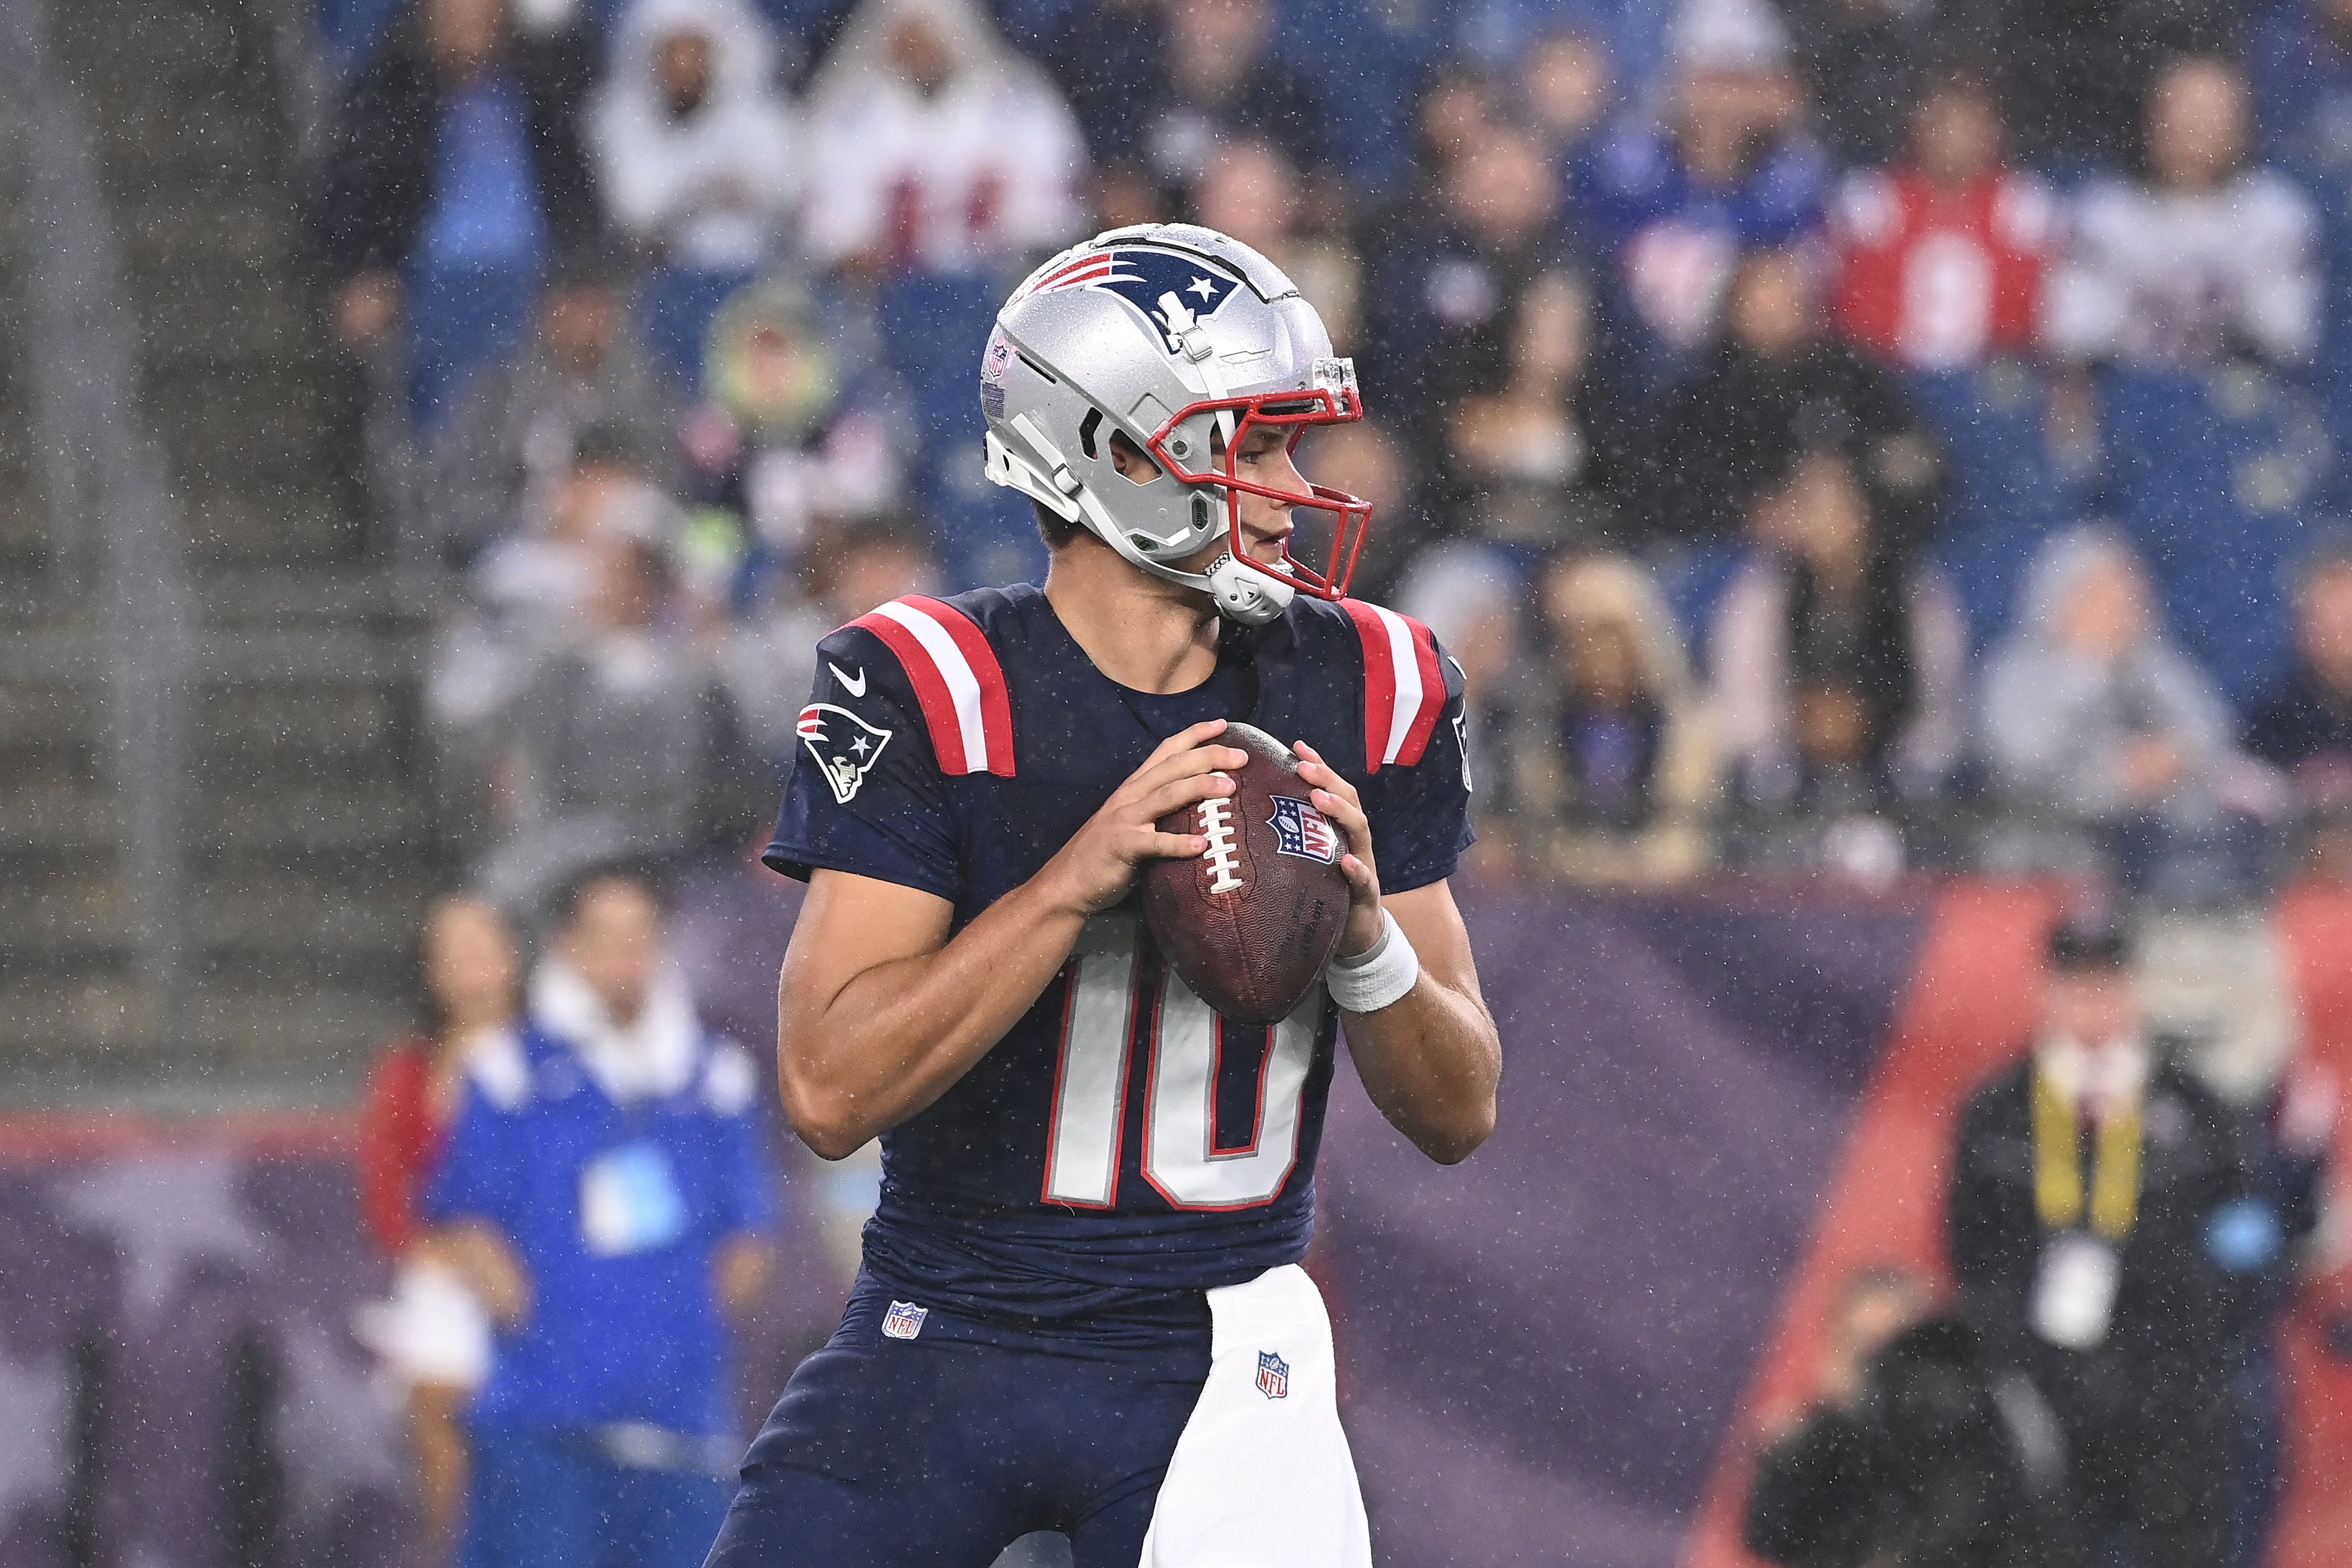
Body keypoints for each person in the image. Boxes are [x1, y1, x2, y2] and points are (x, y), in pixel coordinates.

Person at [704, 223, 1500, 1566]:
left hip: (1223, 1345)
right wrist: (1070, 884)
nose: (1295, 486)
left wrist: (1364, 941)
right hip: (943, 1325)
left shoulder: (1372, 681)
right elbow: (830, 1090)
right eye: (1252, 446)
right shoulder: (933, 683)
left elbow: (1462, 1107)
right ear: (1118, 450)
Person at [425, 869, 775, 1568]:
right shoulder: (505, 1071)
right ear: (567, 947)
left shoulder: (715, 1078)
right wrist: (546, 1327)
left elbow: (750, 1235)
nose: (625, 955)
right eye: (605, 936)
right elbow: (464, 1219)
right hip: (545, 1428)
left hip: (679, 1426)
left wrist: (674, 1329)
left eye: (640, 936)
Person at [1946, 916, 2276, 1568]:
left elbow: (2249, 1240)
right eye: (2077, 986)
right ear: (2046, 991)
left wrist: (2190, 1338)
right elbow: (1970, 1250)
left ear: (2134, 989)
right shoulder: (1997, 1109)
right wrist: (2022, 1354)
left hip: (2175, 1394)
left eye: (2108, 985)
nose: (2094, 1003)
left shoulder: (2199, 1106)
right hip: (2045, 1394)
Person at [318, 0, 602, 420]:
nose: (472, 25)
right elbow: (358, 193)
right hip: (431, 286)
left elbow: (575, 195)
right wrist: (365, 270)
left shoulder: (537, 93)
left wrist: (580, 278)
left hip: (535, 285)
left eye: (485, 14)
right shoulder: (391, 94)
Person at [353, 893, 522, 1568]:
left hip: (546, 1273)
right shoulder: (406, 1071)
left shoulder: (560, 1061)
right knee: (441, 1404)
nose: (469, 969)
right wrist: (455, 1255)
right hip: (444, 1277)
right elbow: (390, 1199)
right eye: (451, 955)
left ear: (515, 958)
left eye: (482, 950)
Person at [1981, 529, 2276, 900]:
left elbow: (2210, 728)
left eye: (2126, 592)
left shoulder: (2152, 661)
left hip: (2148, 850)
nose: (2119, 606)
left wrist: (2171, 756)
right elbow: (2022, 758)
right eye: (2100, 594)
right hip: (2044, 851)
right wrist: (2086, 669)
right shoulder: (2015, 670)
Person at [1632, 248, 1946, 549]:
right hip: (1739, 556)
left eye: (1784, 299)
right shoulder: (1705, 393)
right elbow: (1668, 488)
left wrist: (1855, 497)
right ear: (1733, 311)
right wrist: (1749, 512)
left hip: (1862, 556)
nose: (1774, 313)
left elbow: (1916, 461)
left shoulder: (1852, 376)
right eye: (1760, 301)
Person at [1573, 0, 1829, 367]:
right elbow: (1591, 272)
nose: (1723, 102)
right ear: (1677, 83)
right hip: (1626, 366)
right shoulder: (1627, 168)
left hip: (1745, 372)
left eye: (1738, 83)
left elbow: (1800, 298)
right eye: (1710, 81)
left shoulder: (1795, 181)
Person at [1709, 449, 1968, 813]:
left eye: (1835, 505)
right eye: (1808, 505)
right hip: (1790, 771)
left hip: (1891, 772)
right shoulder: (1763, 594)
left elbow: (1937, 706)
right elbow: (1745, 711)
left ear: (1865, 510)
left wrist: (1874, 726)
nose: (1821, 521)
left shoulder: (1914, 591)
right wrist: (1794, 738)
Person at [2042, 56, 2318, 375]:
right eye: (2184, 110)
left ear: (2242, 124)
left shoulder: (2276, 213)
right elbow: (2078, 341)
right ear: (2153, 119)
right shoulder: (2102, 214)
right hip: (2130, 405)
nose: (2195, 126)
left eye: (2212, 112)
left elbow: (2286, 338)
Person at [796, 0, 1087, 279]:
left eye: (927, 30)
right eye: (906, 31)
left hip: (999, 286)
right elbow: (832, 226)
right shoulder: (848, 108)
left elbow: (1053, 210)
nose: (917, 45)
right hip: (884, 296)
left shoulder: (1016, 99)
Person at [589, 0, 799, 381]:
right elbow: (634, 212)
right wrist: (705, 194)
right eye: (672, 54)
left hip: (755, 287)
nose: (684, 67)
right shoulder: (618, 119)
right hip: (663, 290)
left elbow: (785, 198)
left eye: (695, 52)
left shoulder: (764, 120)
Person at [429, 256, 684, 567]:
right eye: (575, 309)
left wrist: (609, 493)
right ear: (547, 314)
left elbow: (674, 480)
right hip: (528, 543)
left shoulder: (648, 388)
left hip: (629, 552)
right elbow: (458, 498)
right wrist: (546, 509)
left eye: (597, 309)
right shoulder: (498, 393)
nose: (586, 324)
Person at [1499, 550, 1718, 885]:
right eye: (1587, 643)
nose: (1601, 655)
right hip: (1567, 884)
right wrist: (1585, 859)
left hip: (1663, 889)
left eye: (1612, 640)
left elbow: (1686, 823)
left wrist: (1639, 862)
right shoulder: (1547, 726)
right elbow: (1541, 817)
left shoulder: (1681, 727)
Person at [1829, 69, 2054, 373]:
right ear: (1917, 128)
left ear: (1992, 134)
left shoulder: (2019, 204)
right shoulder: (1876, 199)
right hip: (1891, 380)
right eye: (1942, 125)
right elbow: (1850, 311)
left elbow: (2039, 311)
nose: (1953, 139)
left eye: (1966, 126)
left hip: (1989, 384)